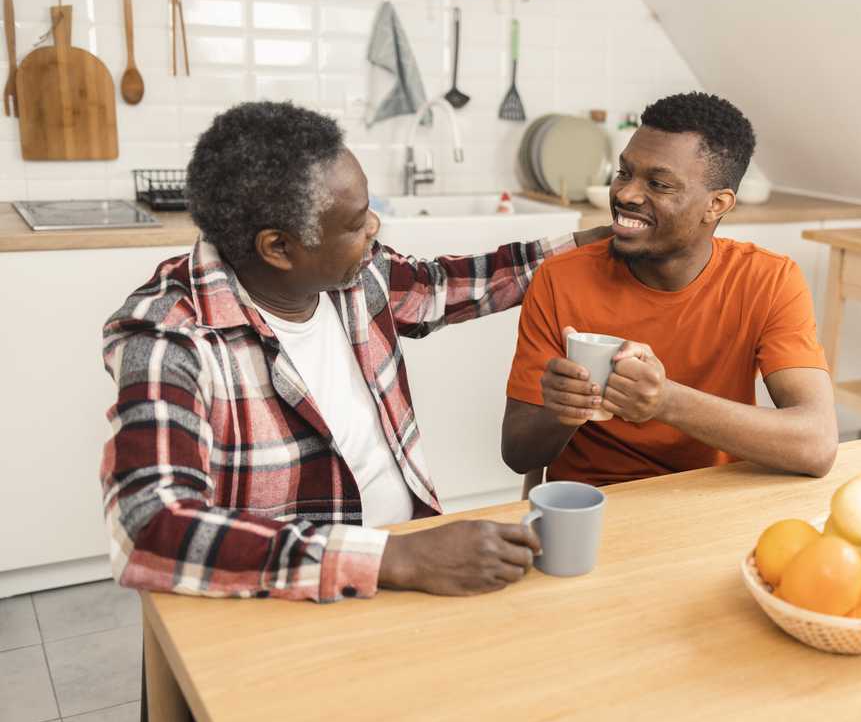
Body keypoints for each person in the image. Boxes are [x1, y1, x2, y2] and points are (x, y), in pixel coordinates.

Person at [100, 101, 609, 602]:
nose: (374, 230)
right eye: (356, 223)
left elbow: (444, 285)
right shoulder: (170, 336)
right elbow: (152, 526)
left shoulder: (353, 276)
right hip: (289, 599)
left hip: (410, 567)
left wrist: (588, 243)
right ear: (278, 248)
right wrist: (395, 558)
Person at [501, 92, 838, 489]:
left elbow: (816, 445)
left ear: (717, 204)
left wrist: (665, 401)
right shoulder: (561, 279)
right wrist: (560, 411)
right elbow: (518, 454)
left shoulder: (768, 280)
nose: (626, 194)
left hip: (711, 494)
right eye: (624, 172)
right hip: (594, 503)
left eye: (658, 184)